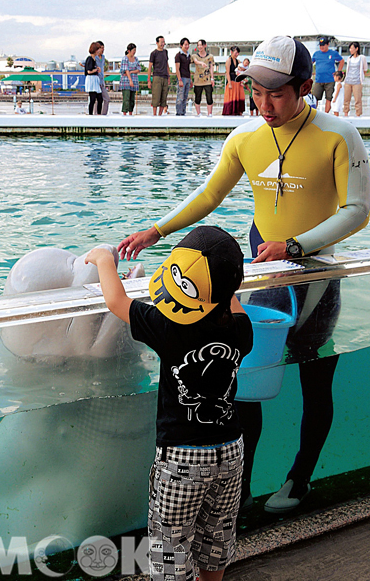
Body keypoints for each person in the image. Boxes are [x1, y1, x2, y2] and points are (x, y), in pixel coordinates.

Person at [118, 36, 370, 514]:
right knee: (246, 385)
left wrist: (297, 245)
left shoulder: (340, 135)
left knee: (316, 382)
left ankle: (300, 479)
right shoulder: (245, 138)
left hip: (317, 279)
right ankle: (241, 493)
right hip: (266, 281)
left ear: (302, 87)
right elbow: (209, 195)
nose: (265, 104)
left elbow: (358, 210)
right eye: (257, 91)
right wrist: (155, 230)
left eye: (276, 93)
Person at [86, 225, 253, 581]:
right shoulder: (242, 329)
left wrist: (103, 260)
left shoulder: (167, 327)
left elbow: (116, 301)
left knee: (170, 545)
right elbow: (230, 300)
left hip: (182, 459)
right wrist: (224, 287)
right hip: (232, 451)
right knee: (216, 536)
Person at [312, 36, 344, 113]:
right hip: (319, 79)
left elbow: (341, 61)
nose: (322, 47)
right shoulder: (316, 54)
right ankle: (314, 113)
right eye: (320, 45)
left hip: (330, 80)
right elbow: (310, 63)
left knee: (329, 98)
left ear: (328, 44)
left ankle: (326, 114)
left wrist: (338, 72)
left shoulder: (333, 53)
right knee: (315, 98)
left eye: (323, 45)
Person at [343, 41, 368, 117]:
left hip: (357, 81)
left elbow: (365, 69)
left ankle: (358, 114)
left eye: (352, 48)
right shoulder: (349, 58)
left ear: (356, 49)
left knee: (358, 99)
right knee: (346, 99)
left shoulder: (362, 58)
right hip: (348, 81)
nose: (350, 50)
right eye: (350, 48)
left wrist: (360, 78)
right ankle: (346, 113)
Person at [191, 40, 215, 117]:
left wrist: (212, 78)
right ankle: (199, 113)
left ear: (205, 45)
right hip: (198, 80)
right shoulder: (194, 56)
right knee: (198, 97)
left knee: (209, 97)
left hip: (207, 79)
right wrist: (201, 63)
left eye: (201, 45)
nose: (200, 47)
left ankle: (210, 113)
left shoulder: (210, 56)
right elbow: (195, 61)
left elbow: (211, 67)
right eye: (198, 45)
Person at [148, 36, 170, 116]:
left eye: (164, 42)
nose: (163, 44)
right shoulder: (154, 53)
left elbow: (167, 64)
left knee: (164, 97)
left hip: (165, 76)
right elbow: (150, 66)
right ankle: (154, 115)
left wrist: (169, 76)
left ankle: (160, 115)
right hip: (157, 76)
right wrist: (149, 80)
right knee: (156, 97)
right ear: (157, 43)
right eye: (161, 42)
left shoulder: (165, 52)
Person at [222, 46, 245, 116]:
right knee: (230, 96)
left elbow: (242, 70)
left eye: (238, 53)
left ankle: (238, 111)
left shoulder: (238, 61)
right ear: (231, 52)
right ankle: (230, 111)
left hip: (237, 81)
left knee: (238, 96)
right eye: (236, 52)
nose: (237, 54)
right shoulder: (228, 60)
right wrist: (229, 83)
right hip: (231, 81)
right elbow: (227, 72)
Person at [120, 43, 141, 116]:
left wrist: (131, 71)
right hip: (126, 81)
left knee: (132, 99)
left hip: (134, 80)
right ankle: (124, 113)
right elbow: (125, 70)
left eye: (135, 50)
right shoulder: (125, 58)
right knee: (126, 98)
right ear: (129, 50)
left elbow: (138, 69)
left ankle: (130, 113)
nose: (134, 52)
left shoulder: (136, 59)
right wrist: (130, 80)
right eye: (133, 50)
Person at [85, 42, 103, 115]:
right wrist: (96, 70)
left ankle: (98, 114)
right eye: (98, 49)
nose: (99, 51)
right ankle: (90, 114)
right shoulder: (90, 59)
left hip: (95, 80)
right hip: (91, 80)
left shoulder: (94, 59)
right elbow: (89, 71)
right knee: (92, 99)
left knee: (100, 98)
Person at [175, 37, 192, 116]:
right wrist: (179, 79)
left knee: (185, 97)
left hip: (188, 77)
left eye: (188, 45)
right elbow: (177, 69)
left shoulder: (188, 55)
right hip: (182, 78)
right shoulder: (178, 55)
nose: (187, 46)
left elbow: (188, 68)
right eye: (185, 45)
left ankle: (183, 112)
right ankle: (179, 112)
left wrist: (191, 79)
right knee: (180, 96)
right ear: (181, 45)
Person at [95, 41, 110, 116]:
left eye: (103, 48)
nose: (103, 50)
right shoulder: (94, 57)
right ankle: (95, 115)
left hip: (102, 82)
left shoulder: (103, 57)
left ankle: (103, 115)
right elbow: (84, 64)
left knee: (106, 99)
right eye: (101, 48)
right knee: (96, 100)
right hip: (96, 81)